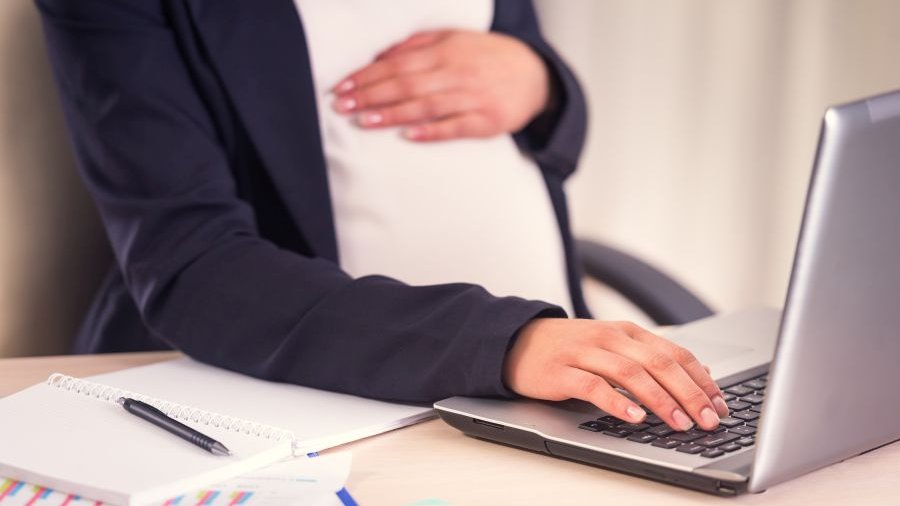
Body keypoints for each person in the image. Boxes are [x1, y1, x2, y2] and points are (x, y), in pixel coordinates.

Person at [36, 0, 729, 432]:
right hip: (328, 401)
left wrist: (544, 86)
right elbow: (194, 267)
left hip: (560, 385)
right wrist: (506, 343)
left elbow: (539, 133)